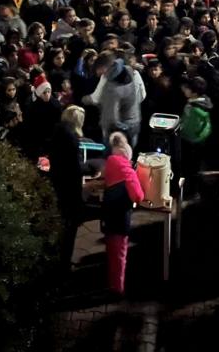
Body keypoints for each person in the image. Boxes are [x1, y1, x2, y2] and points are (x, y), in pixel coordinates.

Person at [48, 105, 94, 268]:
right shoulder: (71, 140)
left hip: (57, 182)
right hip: (69, 188)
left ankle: (57, 259)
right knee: (70, 228)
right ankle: (64, 264)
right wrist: (91, 168)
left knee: (60, 225)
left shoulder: (57, 132)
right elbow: (75, 168)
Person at [101, 131, 145, 296]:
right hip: (121, 217)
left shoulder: (110, 163)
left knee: (111, 250)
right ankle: (117, 289)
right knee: (120, 254)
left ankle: (110, 282)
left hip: (107, 215)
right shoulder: (128, 173)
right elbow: (138, 196)